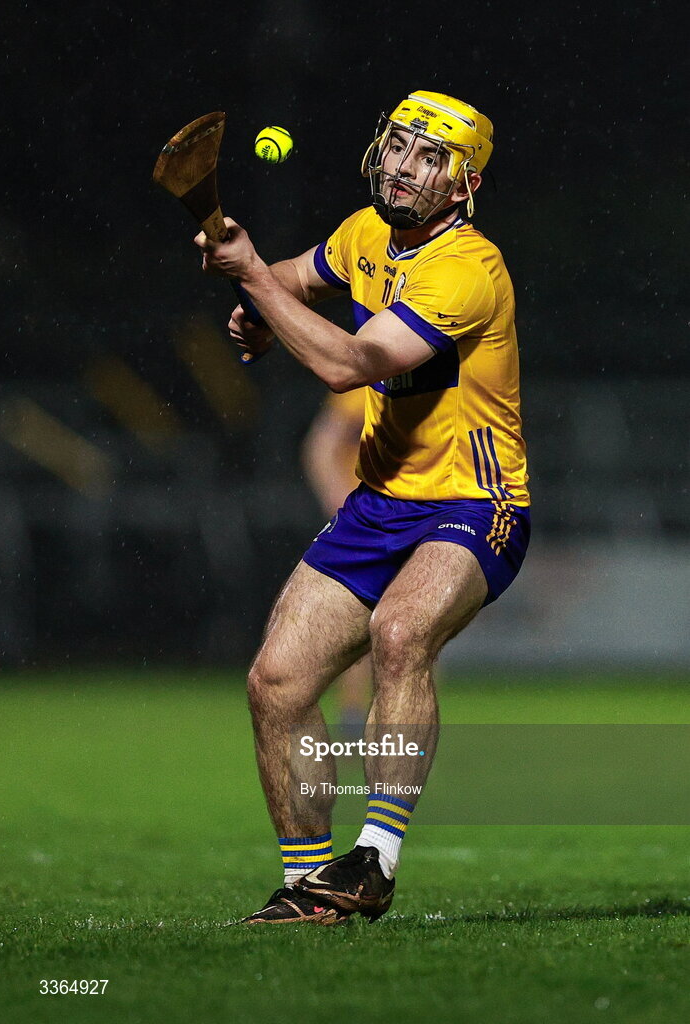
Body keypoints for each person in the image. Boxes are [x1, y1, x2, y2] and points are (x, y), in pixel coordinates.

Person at [195, 90, 530, 925]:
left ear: (463, 185)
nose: (402, 167)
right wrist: (257, 293)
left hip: (474, 500)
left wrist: (250, 280)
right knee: (276, 683)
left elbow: (350, 363)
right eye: (397, 147)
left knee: (399, 633)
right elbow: (294, 280)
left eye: (428, 159)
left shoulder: (467, 270)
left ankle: (373, 861)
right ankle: (311, 888)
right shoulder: (362, 233)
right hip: (378, 503)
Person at [300, 387, 371, 735]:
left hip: (407, 516)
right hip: (368, 521)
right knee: (360, 619)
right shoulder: (370, 383)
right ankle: (356, 715)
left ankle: (402, 724)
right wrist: (340, 503)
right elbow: (321, 447)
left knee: (413, 625)